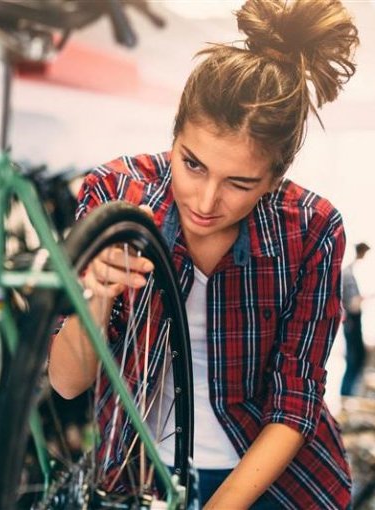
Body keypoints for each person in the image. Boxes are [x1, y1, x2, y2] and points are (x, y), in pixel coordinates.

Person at [48, 0, 359, 508]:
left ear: (275, 178)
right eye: (191, 164)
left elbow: (296, 401)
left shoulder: (312, 228)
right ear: (174, 135)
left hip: (272, 483)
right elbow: (67, 383)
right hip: (140, 474)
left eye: (239, 183)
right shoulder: (115, 193)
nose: (206, 201)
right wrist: (95, 292)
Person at [341, 242, 370, 396]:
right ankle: (346, 394)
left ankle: (347, 394)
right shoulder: (348, 274)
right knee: (354, 360)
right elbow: (352, 304)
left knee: (356, 359)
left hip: (351, 321)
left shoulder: (348, 272)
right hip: (352, 321)